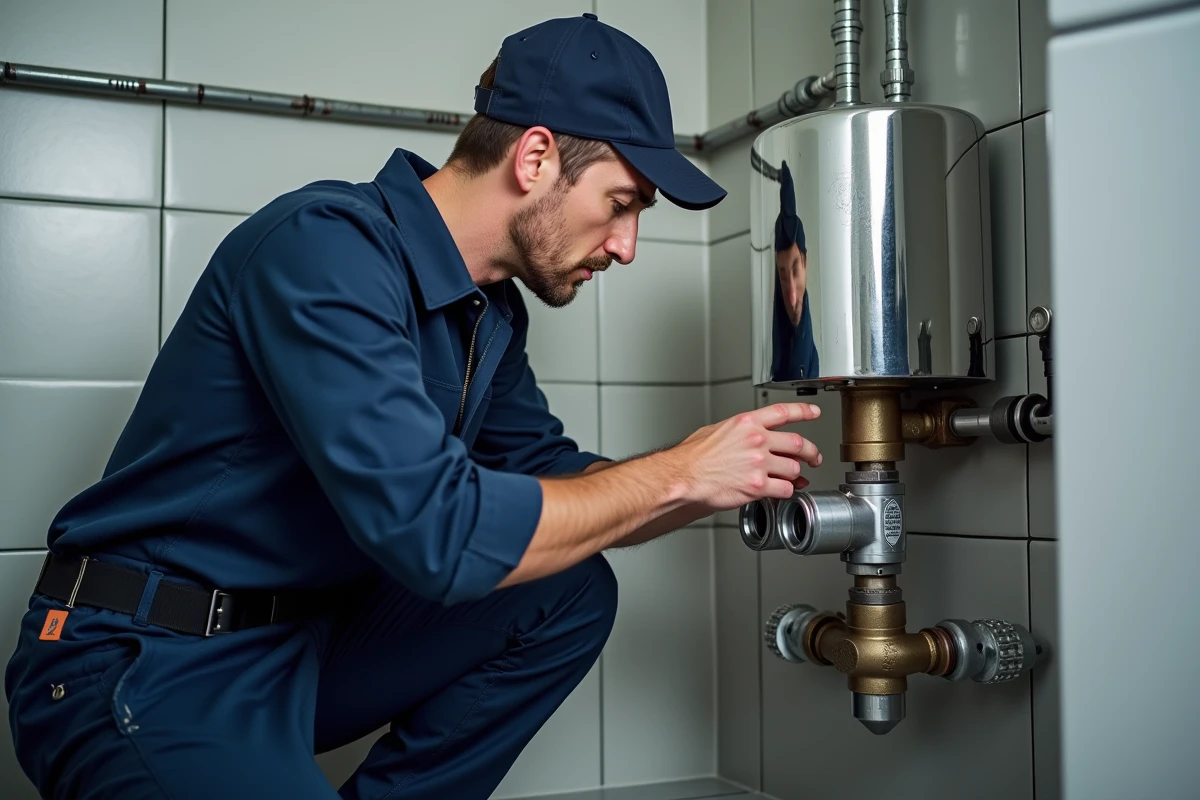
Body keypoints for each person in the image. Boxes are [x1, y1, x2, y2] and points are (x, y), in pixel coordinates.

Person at [5, 13, 823, 800]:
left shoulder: (488, 312)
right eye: (622, 202)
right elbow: (439, 535)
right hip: (140, 655)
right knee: (500, 547)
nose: (627, 246)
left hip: (294, 654)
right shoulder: (326, 247)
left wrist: (721, 477)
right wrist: (680, 474)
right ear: (535, 157)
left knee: (570, 592)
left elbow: (556, 480)